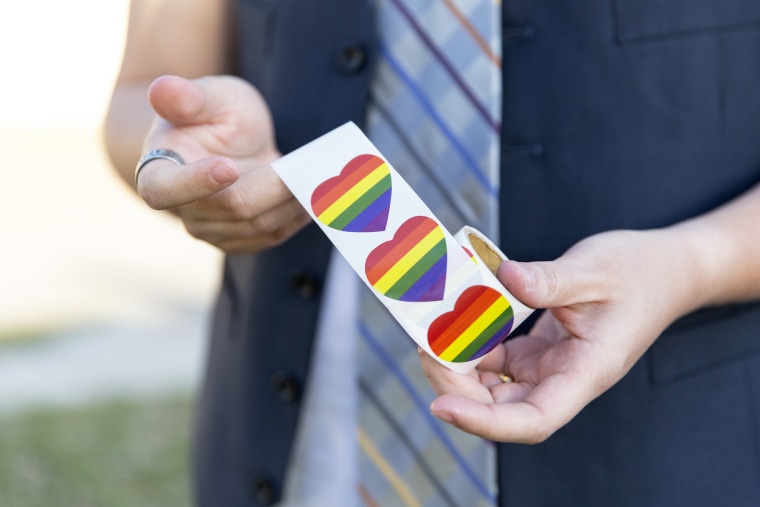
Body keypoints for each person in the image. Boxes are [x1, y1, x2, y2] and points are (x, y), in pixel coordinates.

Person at [104, 0, 760, 505]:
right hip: (299, 446)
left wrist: (692, 263)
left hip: (666, 451)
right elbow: (141, 96)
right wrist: (188, 157)